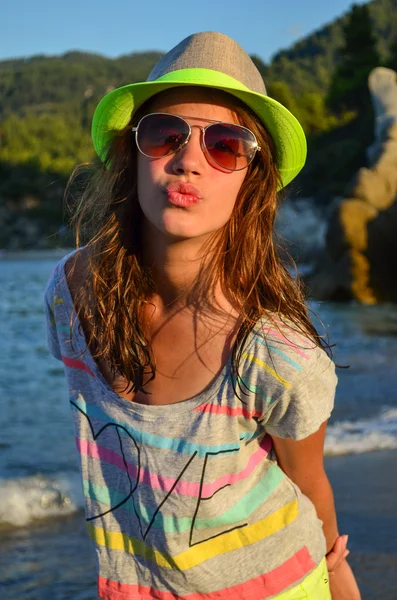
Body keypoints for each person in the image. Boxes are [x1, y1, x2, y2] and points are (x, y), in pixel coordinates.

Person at [44, 31, 361, 600]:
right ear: (131, 157)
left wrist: (337, 575)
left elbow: (309, 482)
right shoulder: (71, 296)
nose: (189, 160)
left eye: (226, 145)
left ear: (250, 180)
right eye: (165, 135)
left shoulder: (275, 352)